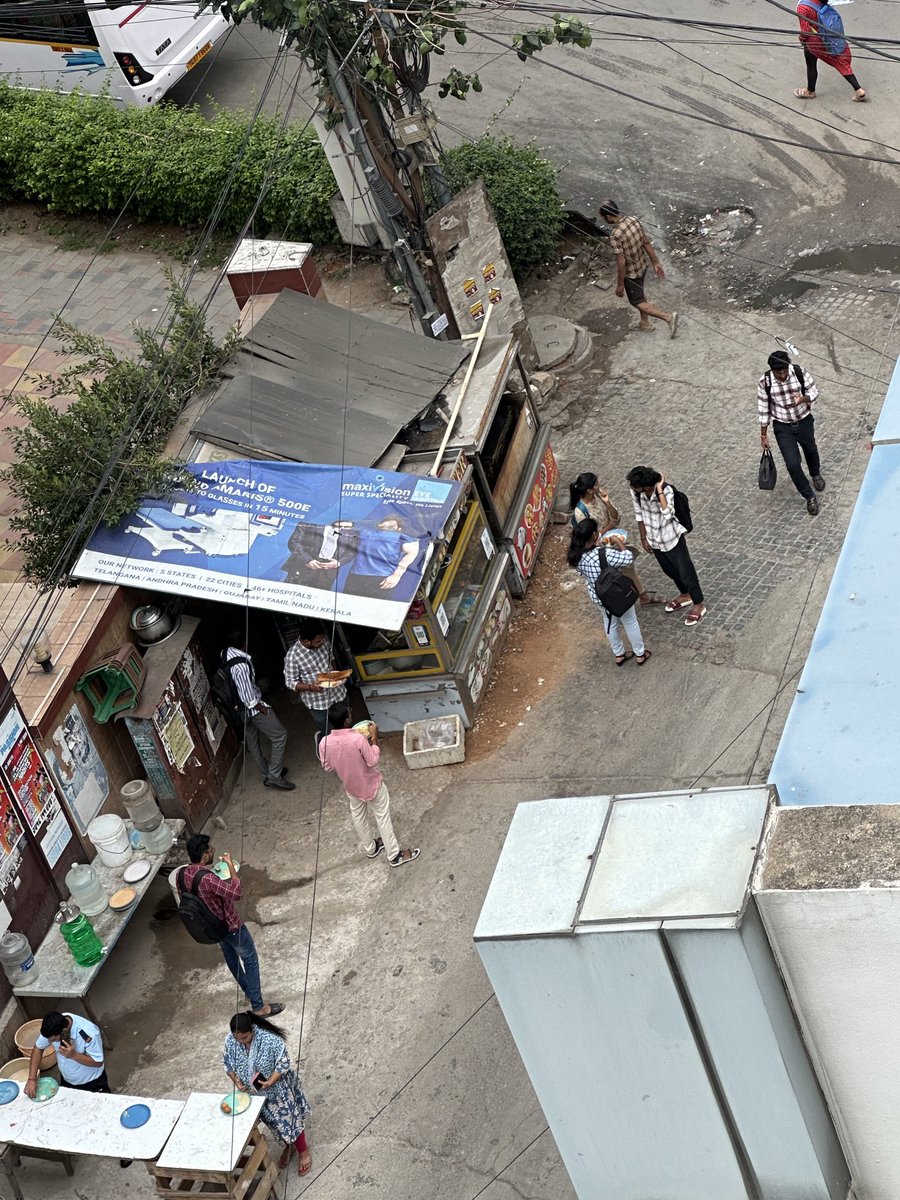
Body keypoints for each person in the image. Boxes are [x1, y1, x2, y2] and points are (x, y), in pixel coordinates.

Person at [180, 833, 284, 1018]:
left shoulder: (182, 874)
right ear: (204, 855)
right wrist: (230, 866)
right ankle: (258, 1007)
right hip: (230, 926)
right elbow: (236, 893)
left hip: (212, 928)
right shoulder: (207, 878)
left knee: (231, 958)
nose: (213, 851)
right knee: (250, 959)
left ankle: (248, 991)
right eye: (210, 850)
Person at [318, 702, 419, 868]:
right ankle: (394, 855)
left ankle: (371, 848)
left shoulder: (324, 743)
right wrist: (373, 738)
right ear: (346, 721)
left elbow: (327, 767)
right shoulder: (357, 739)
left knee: (359, 817)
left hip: (351, 787)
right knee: (382, 818)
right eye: (349, 714)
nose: (351, 715)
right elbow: (372, 760)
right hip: (372, 784)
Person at [224, 1011, 311, 1177]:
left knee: (290, 1120)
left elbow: (284, 1062)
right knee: (274, 1124)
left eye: (245, 1038)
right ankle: (289, 1144)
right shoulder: (231, 1040)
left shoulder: (270, 1040)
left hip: (277, 1090)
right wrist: (237, 1081)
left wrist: (271, 1080)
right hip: (255, 1093)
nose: (241, 1042)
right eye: (237, 1038)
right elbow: (227, 1063)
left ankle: (303, 1151)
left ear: (252, 1030)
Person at [627, 465, 707, 627]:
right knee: (669, 570)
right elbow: (639, 515)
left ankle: (698, 604)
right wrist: (643, 538)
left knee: (686, 572)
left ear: (646, 486)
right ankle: (685, 595)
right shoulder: (636, 493)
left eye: (636, 486)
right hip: (655, 540)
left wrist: (660, 491)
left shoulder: (666, 491)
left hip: (672, 538)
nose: (633, 489)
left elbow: (668, 513)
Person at [569, 472, 661, 607]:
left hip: (612, 539)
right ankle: (635, 597)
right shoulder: (580, 512)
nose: (599, 486)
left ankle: (641, 595)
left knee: (627, 568)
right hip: (601, 546)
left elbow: (615, 517)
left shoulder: (598, 498)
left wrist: (607, 502)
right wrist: (609, 527)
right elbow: (589, 537)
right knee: (621, 569)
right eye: (596, 484)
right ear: (589, 490)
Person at [568, 519, 650, 666]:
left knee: (610, 622)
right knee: (630, 622)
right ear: (594, 535)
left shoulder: (575, 556)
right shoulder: (604, 553)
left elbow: (582, 573)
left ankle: (619, 654)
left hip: (599, 597)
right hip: (617, 594)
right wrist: (618, 541)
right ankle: (640, 654)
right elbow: (628, 559)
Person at [758, 350, 825, 516]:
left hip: (804, 421)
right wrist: (763, 435)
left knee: (811, 450)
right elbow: (764, 409)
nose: (782, 375)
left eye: (784, 371)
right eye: (778, 373)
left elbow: (814, 391)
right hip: (782, 427)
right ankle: (809, 496)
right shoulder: (765, 382)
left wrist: (803, 399)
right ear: (772, 370)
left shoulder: (799, 372)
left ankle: (815, 474)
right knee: (792, 464)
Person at [224, 633, 295, 791]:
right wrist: (262, 708)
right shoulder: (241, 665)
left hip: (240, 712)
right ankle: (274, 776)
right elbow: (248, 697)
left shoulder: (226, 653)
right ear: (244, 642)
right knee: (280, 735)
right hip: (252, 710)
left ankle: (268, 772)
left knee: (253, 744)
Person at [598, 200, 677, 337]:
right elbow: (645, 242)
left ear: (609, 216)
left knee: (637, 301)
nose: (604, 220)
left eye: (604, 218)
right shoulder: (633, 220)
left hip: (631, 274)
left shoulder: (615, 235)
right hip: (642, 266)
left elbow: (621, 262)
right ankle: (644, 323)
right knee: (639, 294)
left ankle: (668, 318)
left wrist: (620, 285)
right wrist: (655, 262)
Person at [284, 619, 348, 737]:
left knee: (346, 725)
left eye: (323, 638)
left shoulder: (323, 641)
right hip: (318, 703)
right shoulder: (293, 657)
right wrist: (310, 687)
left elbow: (331, 658)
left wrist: (337, 674)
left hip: (337, 694)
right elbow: (290, 682)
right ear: (307, 641)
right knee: (328, 734)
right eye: (318, 641)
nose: (323, 642)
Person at [794, 0, 866, 102]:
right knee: (837, 60)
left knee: (816, 64)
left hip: (814, 41)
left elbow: (805, 31)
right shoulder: (819, 2)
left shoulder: (803, 8)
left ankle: (858, 89)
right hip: (830, 37)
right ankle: (811, 89)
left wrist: (801, 39)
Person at [344, 517, 420, 600]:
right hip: (357, 575)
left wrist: (396, 576)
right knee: (349, 602)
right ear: (380, 524)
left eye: (392, 524)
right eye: (387, 521)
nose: (388, 525)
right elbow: (346, 525)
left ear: (399, 528)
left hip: (381, 578)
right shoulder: (365, 532)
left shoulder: (402, 537)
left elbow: (412, 552)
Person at [281, 520, 356, 589]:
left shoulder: (354, 532)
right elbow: (294, 542)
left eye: (346, 527)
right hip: (304, 566)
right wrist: (307, 560)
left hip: (328, 571)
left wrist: (339, 562)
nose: (341, 529)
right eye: (338, 526)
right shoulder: (311, 522)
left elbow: (351, 551)